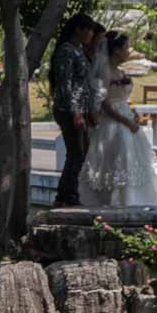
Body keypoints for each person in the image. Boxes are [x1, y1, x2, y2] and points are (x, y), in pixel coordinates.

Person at [79, 30, 157, 207]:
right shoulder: (104, 72)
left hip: (127, 119)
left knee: (134, 161)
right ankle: (118, 201)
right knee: (119, 161)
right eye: (126, 47)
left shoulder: (120, 71)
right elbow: (105, 104)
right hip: (114, 124)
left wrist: (132, 113)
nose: (129, 50)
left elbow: (121, 99)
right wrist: (126, 121)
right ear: (117, 50)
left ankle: (139, 201)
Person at [49, 14, 101, 207]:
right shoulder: (66, 51)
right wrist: (75, 112)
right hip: (69, 110)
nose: (90, 34)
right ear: (78, 29)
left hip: (80, 110)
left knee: (80, 153)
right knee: (76, 153)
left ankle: (65, 195)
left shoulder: (78, 51)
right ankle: (68, 196)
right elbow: (65, 83)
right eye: (88, 30)